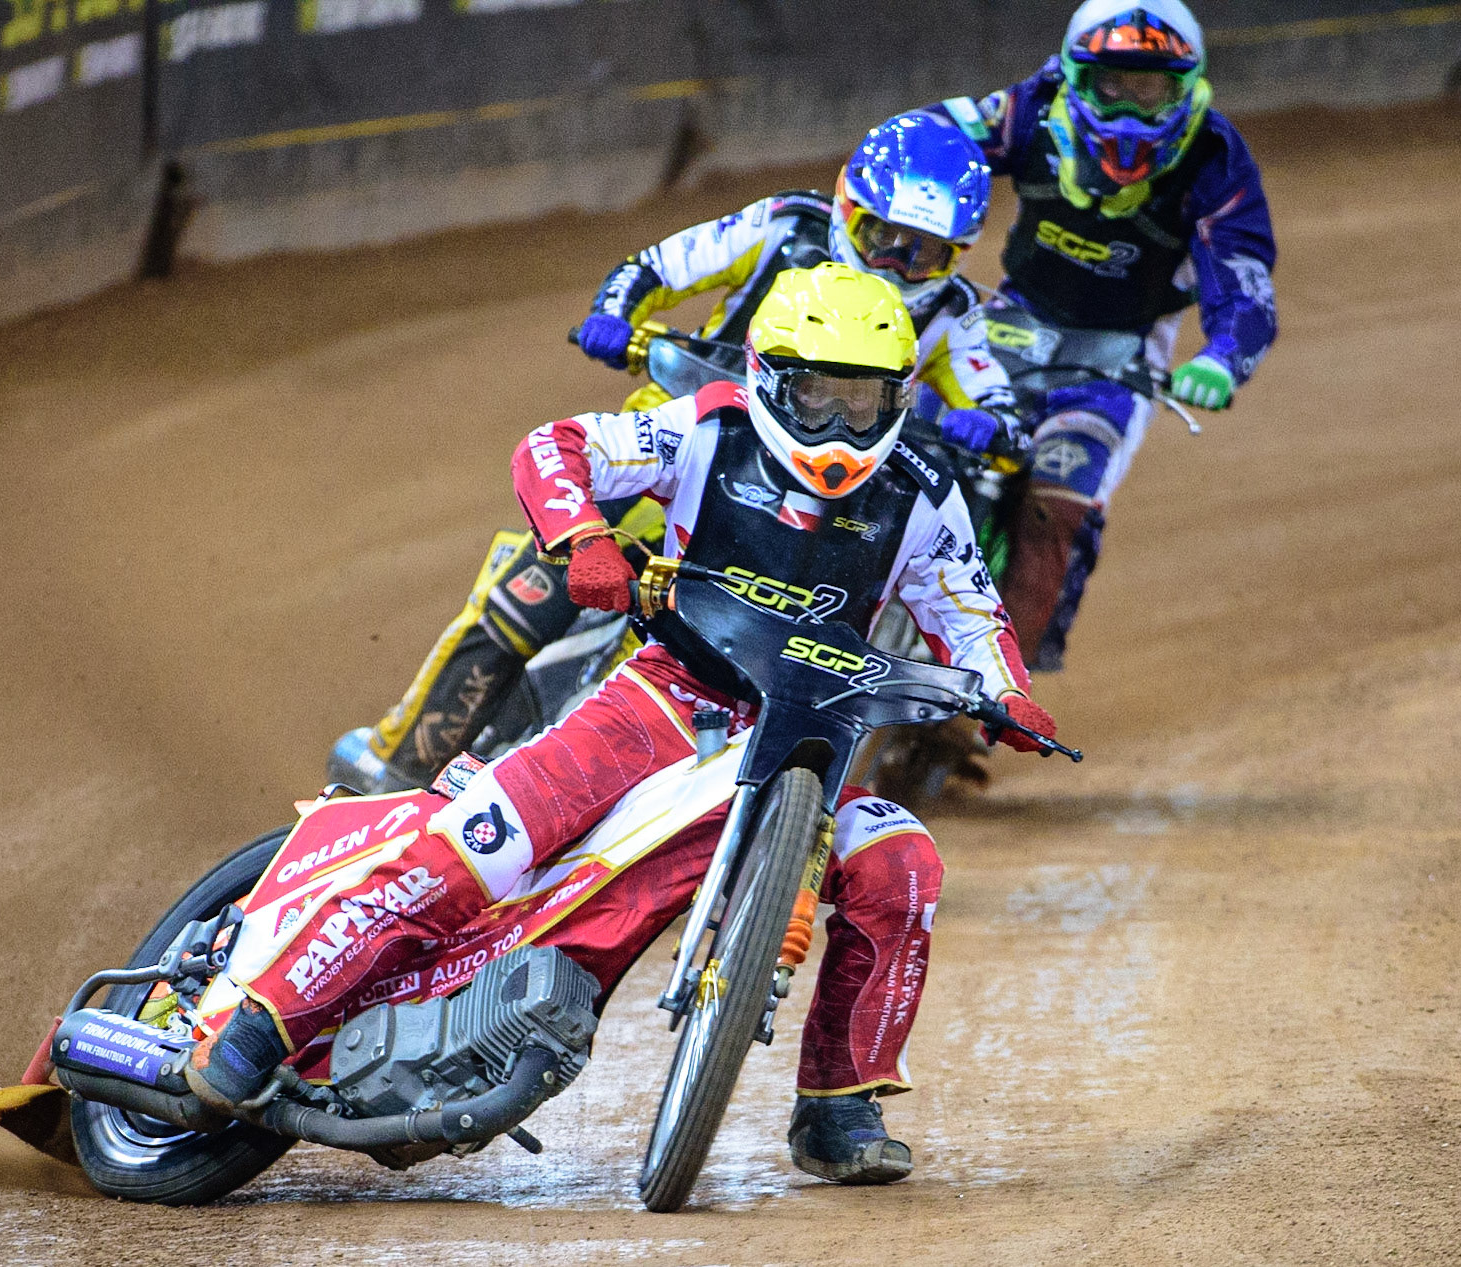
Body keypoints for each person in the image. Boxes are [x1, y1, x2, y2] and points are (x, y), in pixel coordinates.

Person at [192, 264, 1058, 1185]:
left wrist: (1005, 691)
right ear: (771, 379)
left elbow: (970, 608)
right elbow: (554, 444)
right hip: (659, 701)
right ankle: (262, 1019)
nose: (840, 426)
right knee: (481, 844)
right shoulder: (709, 426)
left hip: (807, 733)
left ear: (899, 397)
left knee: (901, 862)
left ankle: (837, 1110)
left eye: (864, 400)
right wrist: (584, 538)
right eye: (818, 395)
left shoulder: (922, 489)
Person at [329, 110, 1022, 795]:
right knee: (526, 599)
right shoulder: (784, 225)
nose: (897, 263)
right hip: (675, 452)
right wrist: (613, 313)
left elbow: (1002, 405)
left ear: (957, 255)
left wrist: (990, 427)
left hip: (802, 499)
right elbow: (658, 266)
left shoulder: (955, 312)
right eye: (882, 237)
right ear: (847, 208)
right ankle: (397, 767)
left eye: (923, 252)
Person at [930, 0, 1278, 668]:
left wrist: (1223, 357)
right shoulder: (1031, 108)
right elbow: (933, 136)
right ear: (1075, 76)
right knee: (907, 444)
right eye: (1111, 83)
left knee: (1058, 507)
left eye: (1148, 89)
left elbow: (1243, 274)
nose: (1127, 110)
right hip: (1008, 321)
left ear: (1185, 88)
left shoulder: (1213, 157)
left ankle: (1003, 686)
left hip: (1122, 352)